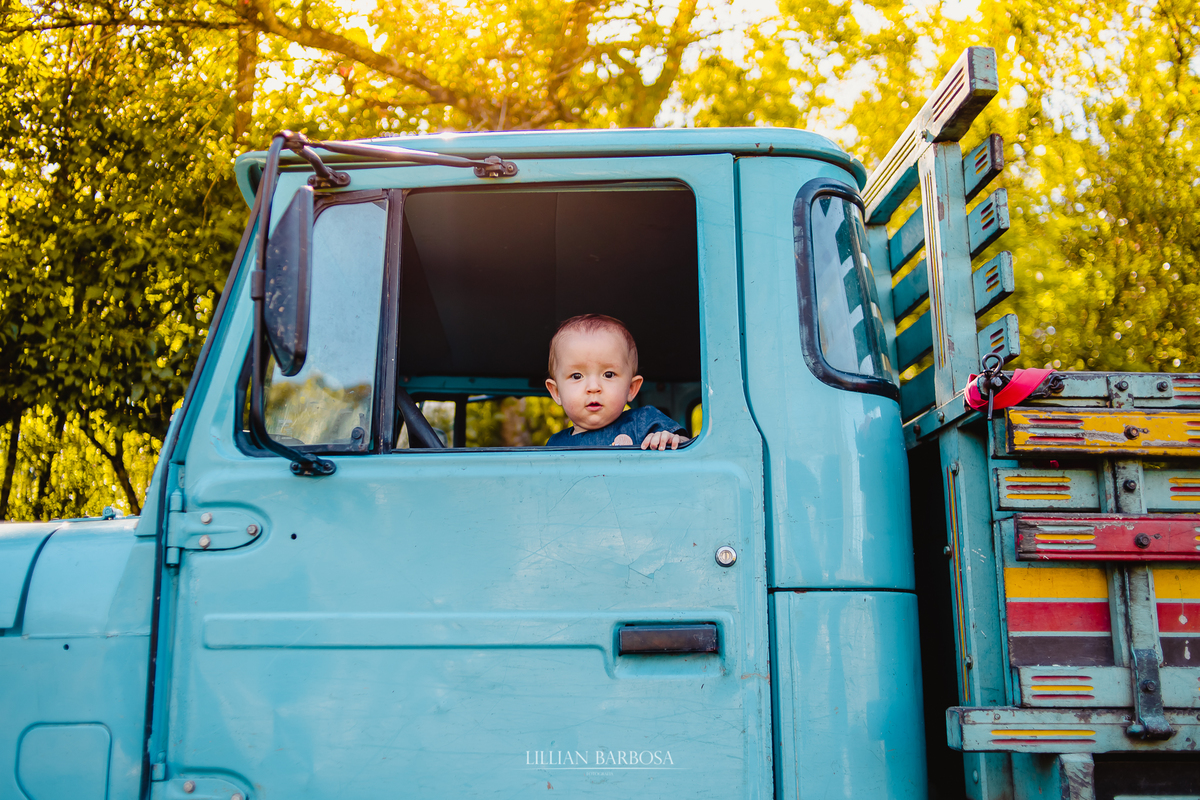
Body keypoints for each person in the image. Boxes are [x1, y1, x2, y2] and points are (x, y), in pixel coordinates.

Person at [544, 314, 690, 450]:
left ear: (631, 388)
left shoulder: (644, 422)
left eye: (608, 374)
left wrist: (670, 440)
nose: (593, 387)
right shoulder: (555, 444)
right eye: (576, 376)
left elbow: (690, 449)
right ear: (556, 392)